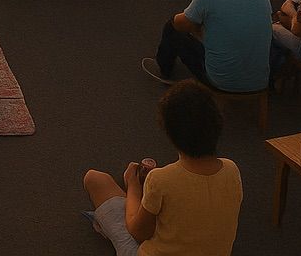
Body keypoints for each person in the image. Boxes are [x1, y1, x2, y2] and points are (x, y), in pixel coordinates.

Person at [82, 81, 243, 256]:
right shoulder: (232, 169)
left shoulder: (161, 180)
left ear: (169, 132)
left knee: (95, 179)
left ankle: (105, 224)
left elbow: (138, 232)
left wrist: (133, 185)